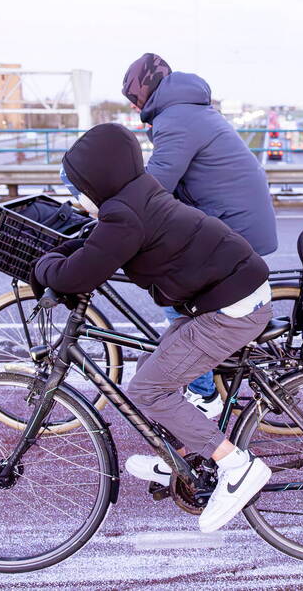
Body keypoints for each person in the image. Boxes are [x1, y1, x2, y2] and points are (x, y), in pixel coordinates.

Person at [32, 123, 274, 533]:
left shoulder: (123, 215)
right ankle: (177, 455)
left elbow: (78, 274)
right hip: (228, 291)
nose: (75, 198)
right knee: (153, 363)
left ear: (95, 183)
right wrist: (63, 255)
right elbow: (96, 246)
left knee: (148, 388)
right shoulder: (135, 194)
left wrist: (42, 267)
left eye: (77, 189)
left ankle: (237, 466)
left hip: (231, 307)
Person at [122, 53, 278, 418]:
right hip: (235, 219)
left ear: (143, 92)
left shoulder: (176, 119)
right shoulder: (187, 109)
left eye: (133, 99)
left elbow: (157, 182)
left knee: (176, 291)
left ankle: (203, 393)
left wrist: (117, 207)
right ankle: (209, 371)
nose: (134, 107)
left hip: (233, 226)